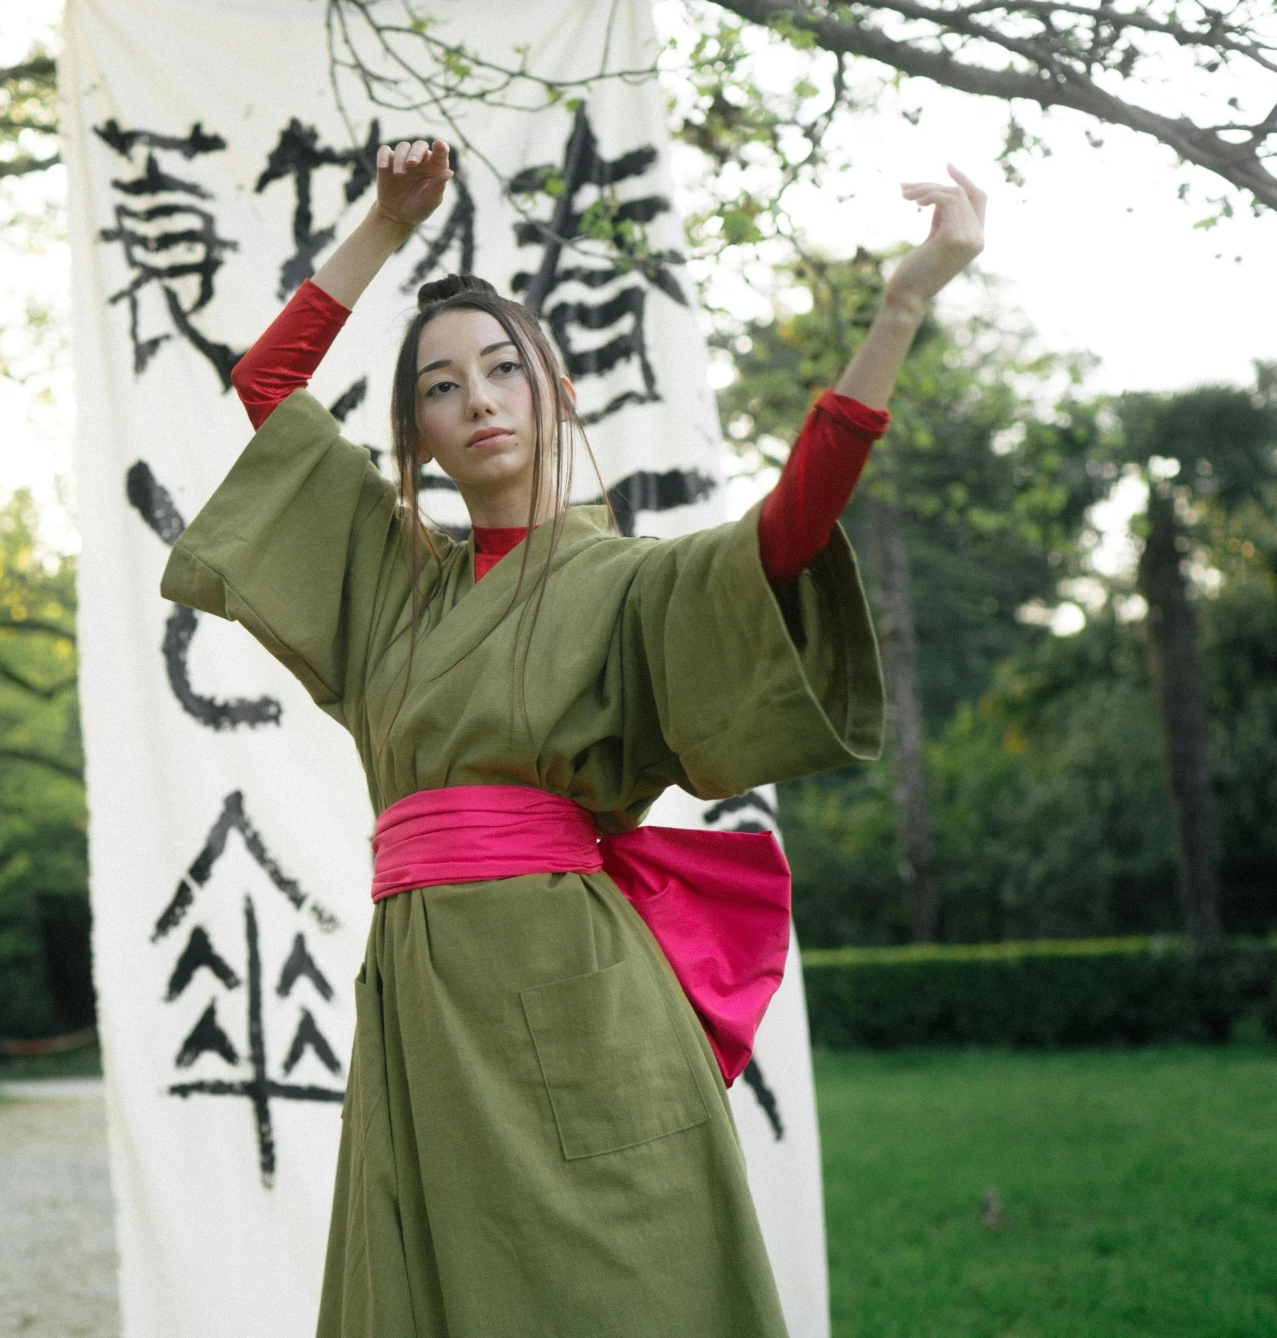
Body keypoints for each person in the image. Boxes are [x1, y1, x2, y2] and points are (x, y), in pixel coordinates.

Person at [162, 138, 986, 1338]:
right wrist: (388, 225)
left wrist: (901, 306)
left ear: (560, 392)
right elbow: (266, 388)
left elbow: (786, 529)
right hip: (422, 995)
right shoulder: (388, 585)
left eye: (505, 368)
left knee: (623, 1296)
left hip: (581, 995)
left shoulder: (629, 584)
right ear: (419, 437)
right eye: (441, 386)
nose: (479, 398)